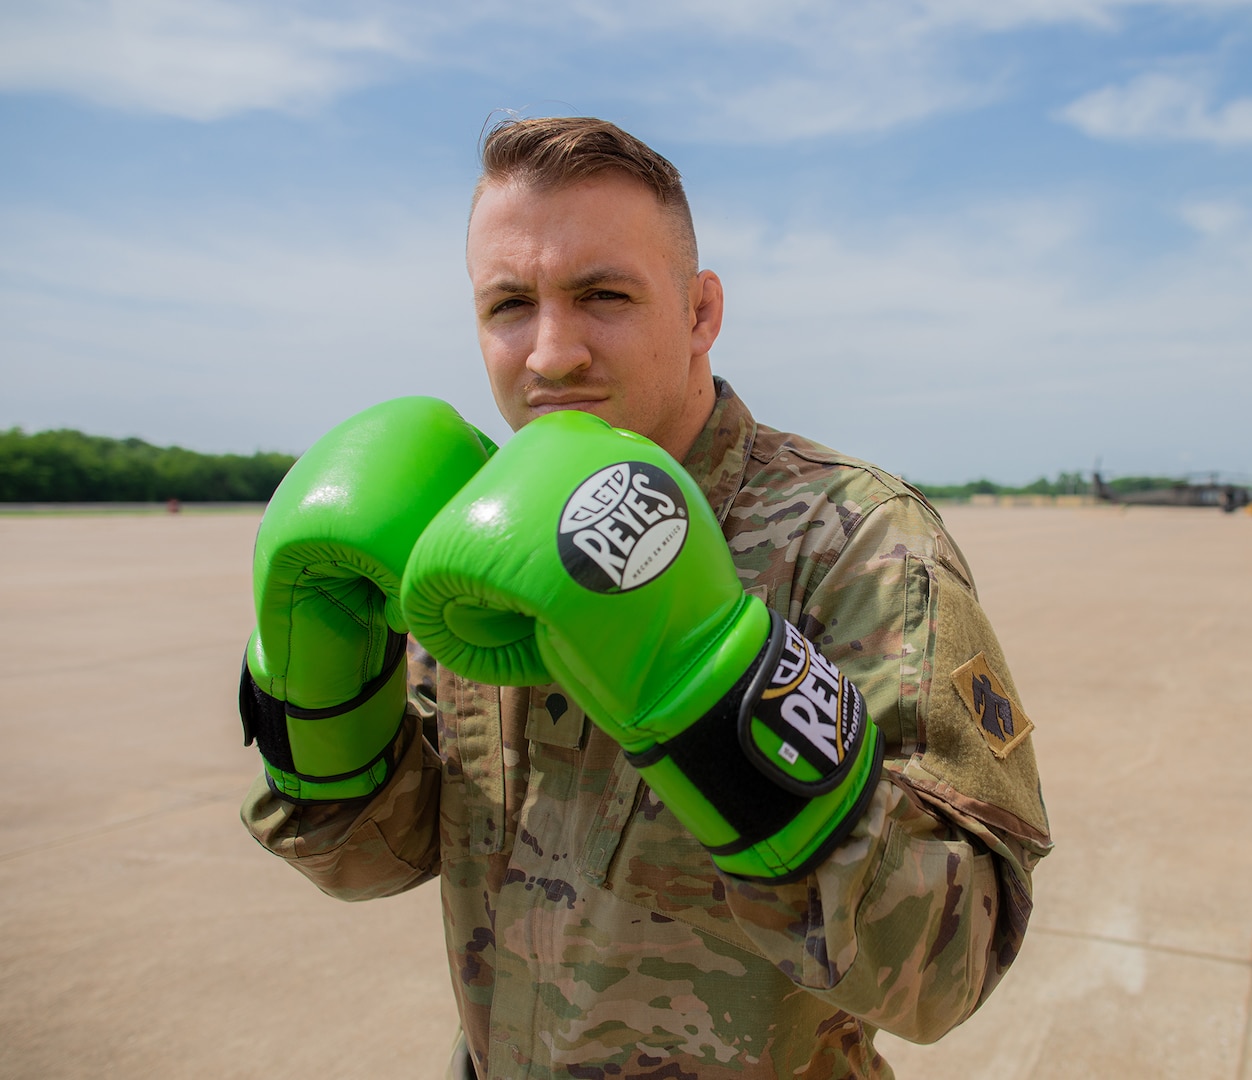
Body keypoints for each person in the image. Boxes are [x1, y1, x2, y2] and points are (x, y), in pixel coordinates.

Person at [240, 117, 1051, 1080]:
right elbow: (369, 858)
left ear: (701, 312)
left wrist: (712, 690)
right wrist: (317, 682)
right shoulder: (472, 544)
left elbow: (944, 975)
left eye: (602, 295)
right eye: (509, 304)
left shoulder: (856, 539)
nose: (550, 354)